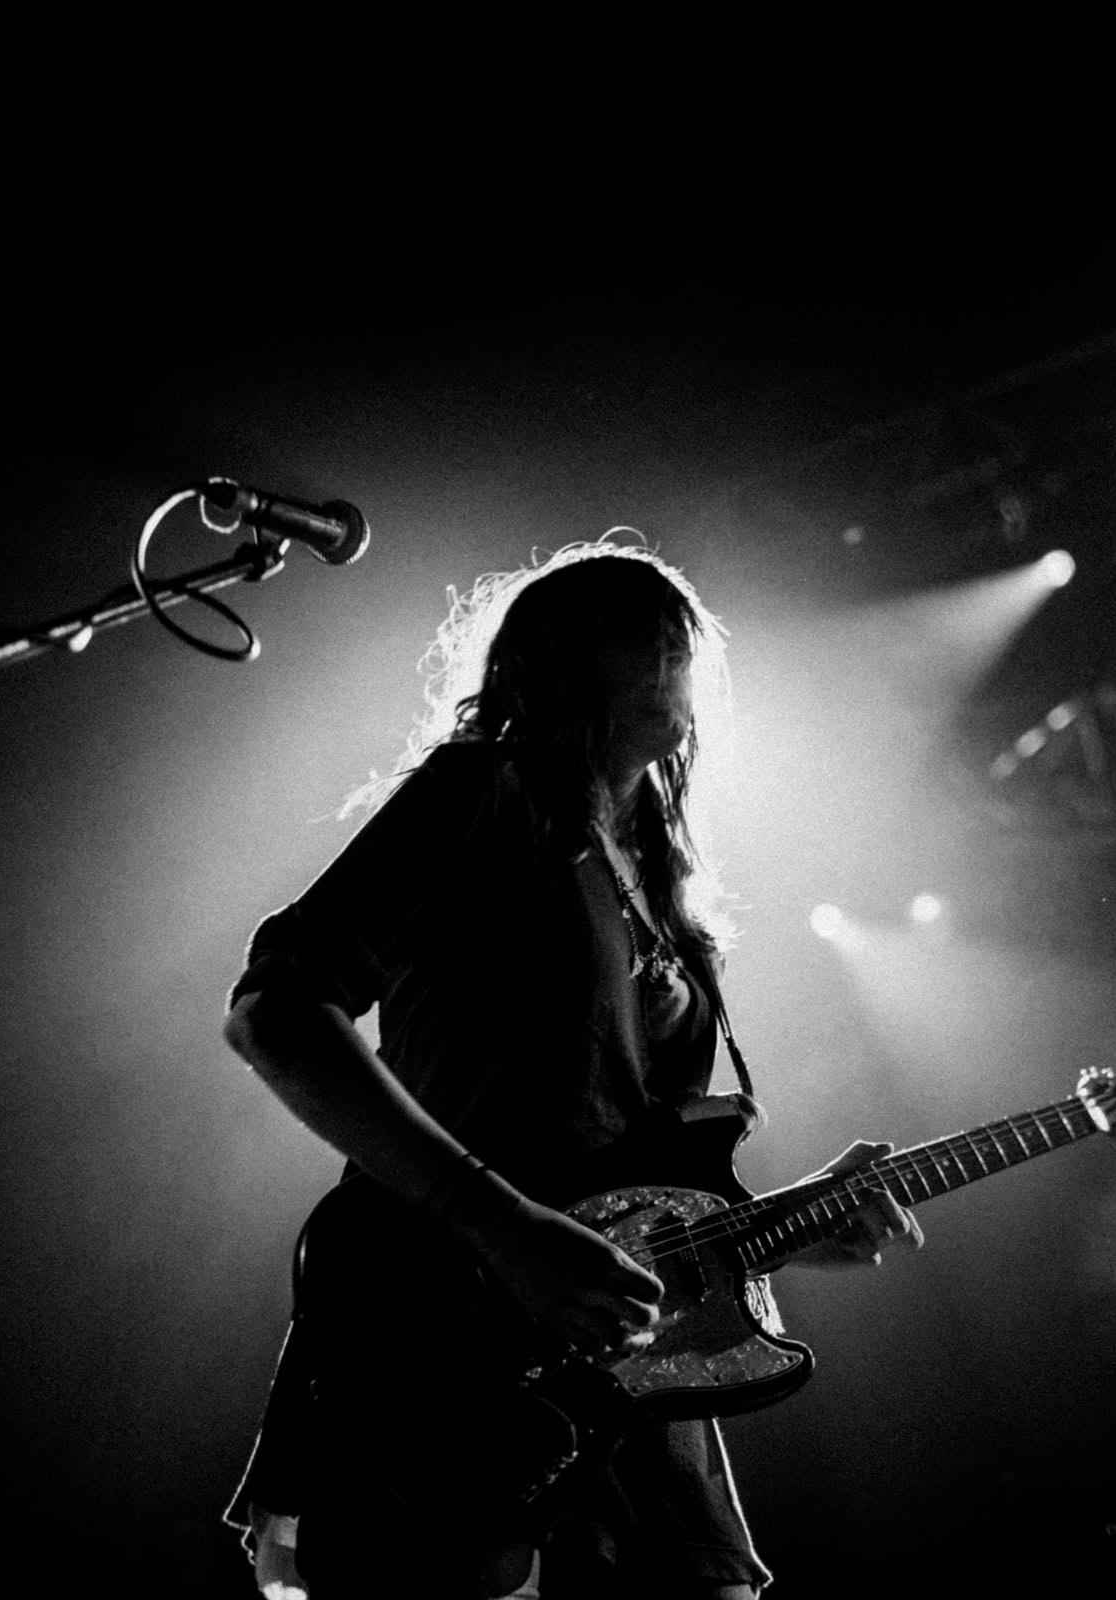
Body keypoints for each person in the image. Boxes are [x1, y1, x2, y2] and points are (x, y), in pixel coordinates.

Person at [221, 541, 921, 1599]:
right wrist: (505, 1226)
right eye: (635, 638)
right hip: (446, 1343)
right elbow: (276, 1010)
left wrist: (777, 1227)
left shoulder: (661, 883)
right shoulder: (487, 791)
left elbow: (621, 1170)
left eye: (676, 642)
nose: (669, 662)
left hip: (627, 1383)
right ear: (559, 664)